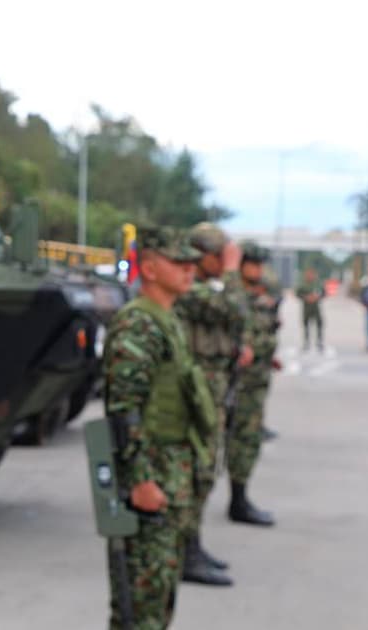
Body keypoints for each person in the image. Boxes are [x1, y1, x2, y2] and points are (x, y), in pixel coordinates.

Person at [104, 226, 216, 629]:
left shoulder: (167, 319)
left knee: (159, 596)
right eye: (178, 262)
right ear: (149, 268)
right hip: (150, 476)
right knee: (139, 606)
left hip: (172, 472)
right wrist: (140, 480)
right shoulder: (139, 324)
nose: (189, 270)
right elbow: (124, 410)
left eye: (192, 263)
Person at [170, 223, 251, 586]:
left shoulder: (207, 289)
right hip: (194, 400)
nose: (225, 263)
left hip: (211, 396)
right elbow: (236, 309)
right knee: (195, 475)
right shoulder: (190, 290)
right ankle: (185, 552)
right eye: (220, 257)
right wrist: (233, 270)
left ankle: (192, 546)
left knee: (205, 474)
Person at [226, 243, 280, 527]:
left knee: (248, 441)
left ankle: (240, 497)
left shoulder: (258, 296)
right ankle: (237, 501)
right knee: (240, 441)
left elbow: (261, 333)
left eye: (260, 264)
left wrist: (269, 355)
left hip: (257, 380)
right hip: (239, 384)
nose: (258, 270)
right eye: (253, 264)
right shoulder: (233, 298)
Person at [296, 267, 324, 352]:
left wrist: (317, 297)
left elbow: (324, 293)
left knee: (319, 323)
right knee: (306, 325)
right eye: (309, 274)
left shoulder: (317, 284)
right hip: (306, 307)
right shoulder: (303, 284)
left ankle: (319, 341)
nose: (310, 276)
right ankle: (306, 342)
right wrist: (306, 297)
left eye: (312, 274)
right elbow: (298, 293)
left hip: (316, 307)